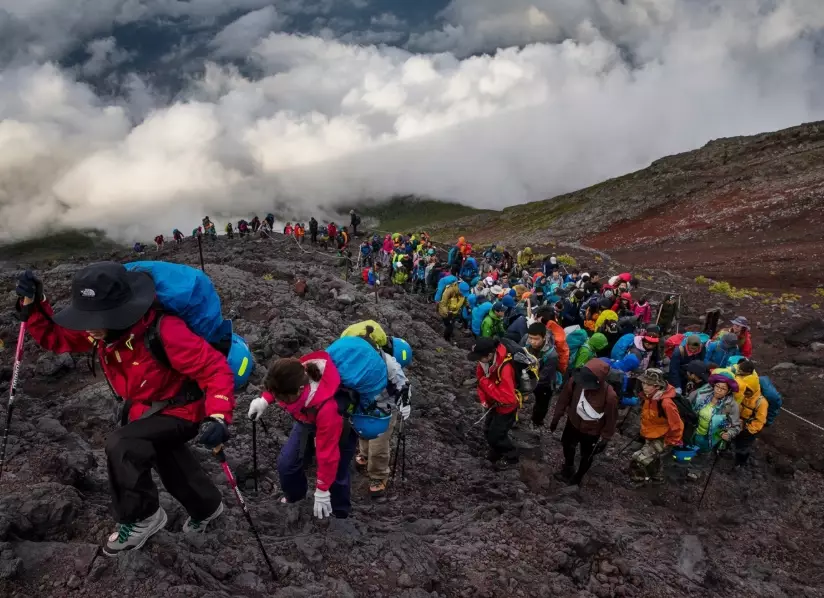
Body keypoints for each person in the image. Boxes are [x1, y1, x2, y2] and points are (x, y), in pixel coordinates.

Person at [16, 264, 233, 554]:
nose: (88, 325)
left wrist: (218, 416)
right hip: (148, 407)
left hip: (183, 408)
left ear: (120, 312)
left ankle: (142, 517)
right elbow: (58, 338)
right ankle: (207, 507)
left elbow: (214, 368)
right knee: (165, 454)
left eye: (96, 317)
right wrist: (33, 307)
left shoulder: (165, 330)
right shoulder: (103, 330)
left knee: (123, 444)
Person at [549, 360, 618, 486]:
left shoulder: (610, 396)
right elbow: (563, 400)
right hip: (573, 422)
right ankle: (568, 468)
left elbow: (611, 418)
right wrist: (556, 418)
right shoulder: (575, 382)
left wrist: (606, 438)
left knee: (586, 456)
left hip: (592, 431)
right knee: (567, 444)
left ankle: (578, 478)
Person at [469, 339, 520, 469]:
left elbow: (509, 399)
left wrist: (486, 384)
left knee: (496, 435)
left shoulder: (505, 369)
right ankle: (496, 452)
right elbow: (480, 380)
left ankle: (512, 458)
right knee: (488, 430)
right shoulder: (484, 363)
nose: (477, 361)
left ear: (490, 355)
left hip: (507, 409)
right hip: (494, 404)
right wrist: (484, 400)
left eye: (479, 358)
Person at [630, 369, 683, 485]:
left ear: (657, 386)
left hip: (663, 437)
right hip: (651, 433)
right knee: (653, 457)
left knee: (638, 459)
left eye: (648, 384)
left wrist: (670, 442)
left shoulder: (666, 403)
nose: (644, 386)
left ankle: (638, 480)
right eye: (644, 383)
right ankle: (657, 477)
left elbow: (677, 425)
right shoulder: (648, 396)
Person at [687, 373, 740, 453]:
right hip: (693, 433)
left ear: (728, 391)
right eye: (717, 386)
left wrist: (729, 434)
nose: (719, 390)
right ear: (714, 385)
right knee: (690, 452)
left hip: (710, 440)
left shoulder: (731, 406)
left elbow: (736, 426)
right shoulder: (702, 395)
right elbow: (688, 405)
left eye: (723, 388)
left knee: (703, 455)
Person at [731, 360, 766, 467]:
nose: (745, 393)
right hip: (737, 422)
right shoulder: (742, 395)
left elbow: (759, 422)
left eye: (748, 391)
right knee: (733, 440)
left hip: (748, 430)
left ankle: (740, 462)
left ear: (754, 388)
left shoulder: (762, 403)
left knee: (742, 447)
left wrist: (746, 428)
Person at [524, 321, 559, 428]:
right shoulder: (526, 341)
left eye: (536, 339)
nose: (532, 342)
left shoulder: (552, 355)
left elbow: (544, 378)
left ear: (544, 338)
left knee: (542, 404)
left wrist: (527, 388)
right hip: (529, 374)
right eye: (531, 338)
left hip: (544, 383)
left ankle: (537, 421)